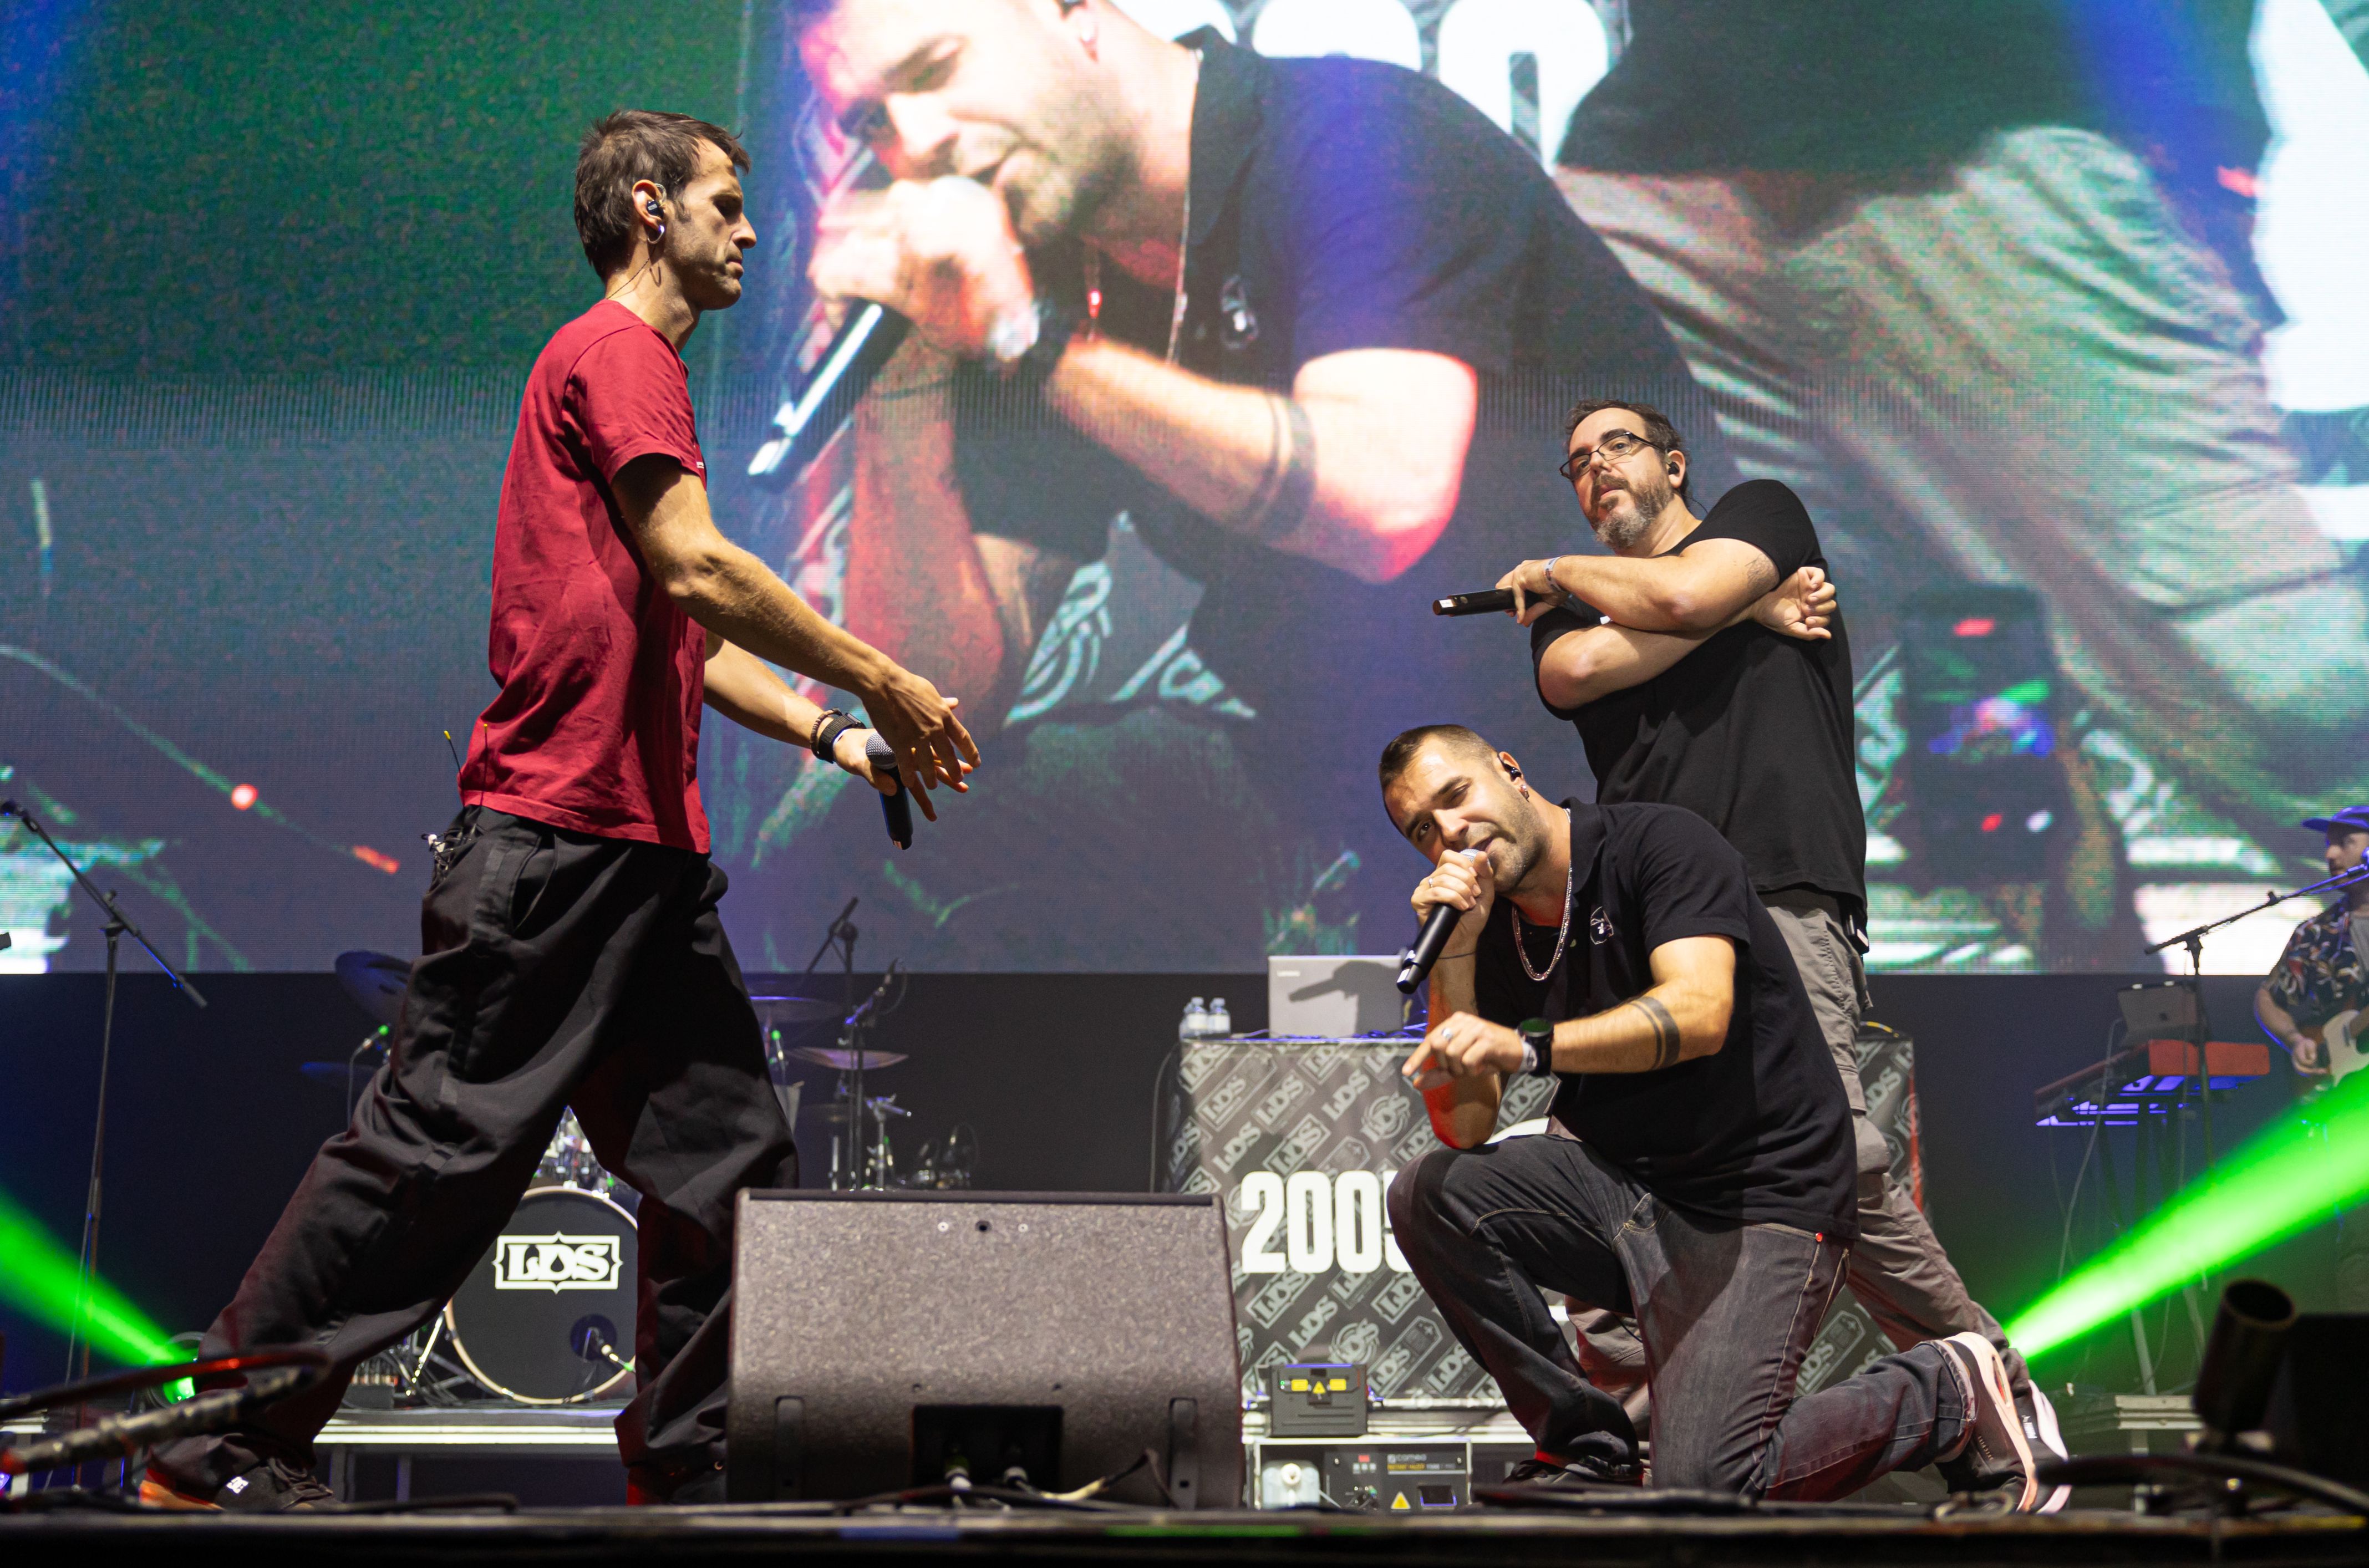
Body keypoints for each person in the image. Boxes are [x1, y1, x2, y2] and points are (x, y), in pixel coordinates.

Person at [143, 110, 978, 1510]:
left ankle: (691, 1461)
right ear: (650, 207)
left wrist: (837, 735)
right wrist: (883, 673)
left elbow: (690, 639)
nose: (752, 229)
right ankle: (214, 1444)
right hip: (555, 847)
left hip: (641, 868)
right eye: (725, 201)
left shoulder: (629, 375)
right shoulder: (617, 354)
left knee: (729, 1172)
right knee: (431, 1152)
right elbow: (701, 569)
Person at [775, 0, 1729, 967]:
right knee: (858, 816)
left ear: (1072, 12)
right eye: (871, 122)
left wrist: (1033, 344)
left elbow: (1384, 499)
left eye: (935, 69)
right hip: (1348, 768)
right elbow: (946, 701)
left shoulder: (1356, 138)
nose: (918, 141)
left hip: (1619, 752)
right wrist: (903, 382)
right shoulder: (1025, 273)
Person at [1552, 2, 2369, 894]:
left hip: (1999, 163)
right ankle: (2062, 982)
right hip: (1665, 178)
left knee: (2297, 728)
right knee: (1718, 721)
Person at [1497, 398, 2064, 1495]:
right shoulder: (1567, 620)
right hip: (1646, 914)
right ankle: (1630, 1442)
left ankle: (1993, 1385)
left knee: (1834, 1159)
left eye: (1615, 446)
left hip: (1780, 886)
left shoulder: (1763, 514)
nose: (1594, 469)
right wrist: (1747, 614)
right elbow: (1577, 677)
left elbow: (1684, 589)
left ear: (1674, 461)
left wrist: (1590, 572)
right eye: (1573, 464)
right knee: (1616, 1170)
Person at [1377, 725, 2038, 1505]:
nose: (1449, 831)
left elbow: (1698, 1014)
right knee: (1431, 1191)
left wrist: (1529, 1049)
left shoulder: (1656, 843)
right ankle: (1590, 1447)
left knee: (1708, 1487)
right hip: (1631, 1197)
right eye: (1423, 828)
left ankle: (1947, 1388)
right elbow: (1465, 1128)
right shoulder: (1484, 925)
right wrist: (1456, 955)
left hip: (1760, 1198)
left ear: (1512, 773)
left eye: (1456, 797)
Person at [2254, 803, 2369, 1310]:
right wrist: (2297, 1040)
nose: (2329, 853)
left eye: (2344, 841)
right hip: (2352, 1109)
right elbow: (2268, 998)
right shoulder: (2320, 933)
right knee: (2362, 1238)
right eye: (2330, 842)